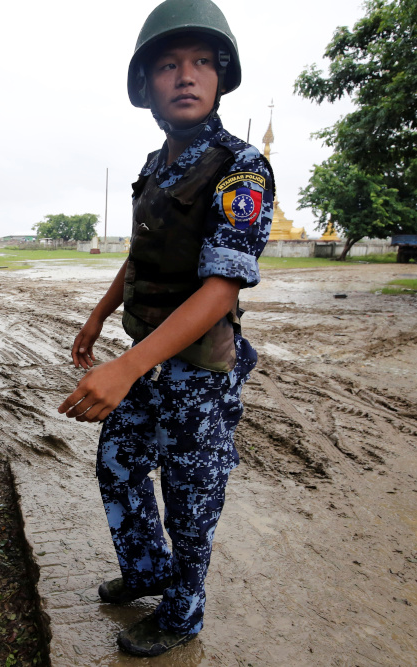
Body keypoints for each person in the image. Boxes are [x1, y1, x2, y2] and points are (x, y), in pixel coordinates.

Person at [56, 0, 274, 657]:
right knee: (119, 462)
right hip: (149, 359)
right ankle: (147, 570)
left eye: (202, 62)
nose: (186, 75)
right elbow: (140, 253)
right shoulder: (156, 165)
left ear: (220, 77)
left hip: (200, 371)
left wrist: (123, 368)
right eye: (169, 64)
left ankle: (183, 613)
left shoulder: (240, 168)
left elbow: (219, 289)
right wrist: (98, 318)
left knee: (190, 497)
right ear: (146, 85)